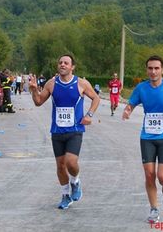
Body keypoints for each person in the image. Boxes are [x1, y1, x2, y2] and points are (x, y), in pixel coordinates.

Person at [122, 55, 163, 223]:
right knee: (149, 175)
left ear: (162, 70)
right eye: (150, 68)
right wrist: (127, 110)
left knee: (162, 176)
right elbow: (132, 103)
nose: (153, 71)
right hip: (147, 137)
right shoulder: (141, 88)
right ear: (147, 70)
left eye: (156, 68)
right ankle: (153, 209)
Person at [29, 54, 100, 210]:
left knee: (70, 162)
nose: (62, 65)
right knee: (60, 166)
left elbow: (96, 98)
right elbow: (38, 102)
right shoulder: (51, 84)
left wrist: (89, 115)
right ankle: (65, 195)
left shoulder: (81, 83)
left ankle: (75, 181)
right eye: (60, 62)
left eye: (66, 63)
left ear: (72, 67)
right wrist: (34, 90)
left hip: (75, 130)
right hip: (57, 131)